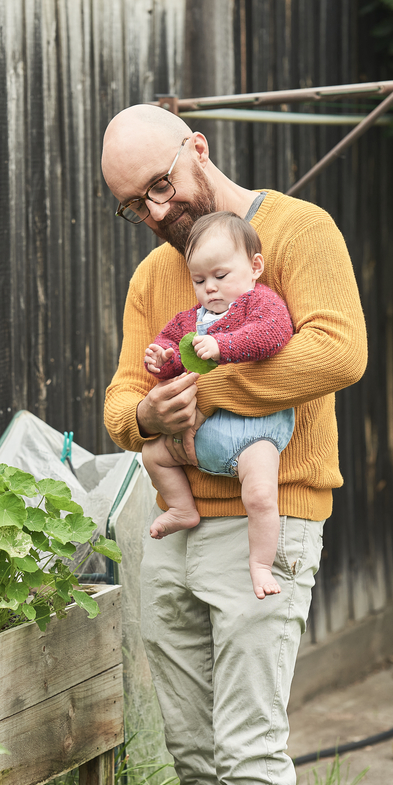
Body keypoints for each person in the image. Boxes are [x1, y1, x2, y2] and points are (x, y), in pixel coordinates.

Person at [101, 103, 367, 785]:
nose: (156, 213)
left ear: (197, 147)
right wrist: (150, 414)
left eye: (160, 186)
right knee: (192, 757)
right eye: (134, 205)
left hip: (266, 513)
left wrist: (208, 391)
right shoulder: (153, 278)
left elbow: (338, 351)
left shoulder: (298, 230)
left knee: (247, 756)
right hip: (173, 528)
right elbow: (122, 401)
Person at [141, 211, 295, 600]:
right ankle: (182, 509)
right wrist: (161, 358)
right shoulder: (192, 319)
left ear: (254, 266)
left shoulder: (258, 302)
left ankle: (260, 565)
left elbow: (273, 335)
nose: (210, 288)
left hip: (253, 433)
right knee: (151, 455)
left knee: (260, 495)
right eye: (199, 280)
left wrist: (223, 346)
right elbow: (175, 351)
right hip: (200, 440)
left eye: (220, 276)